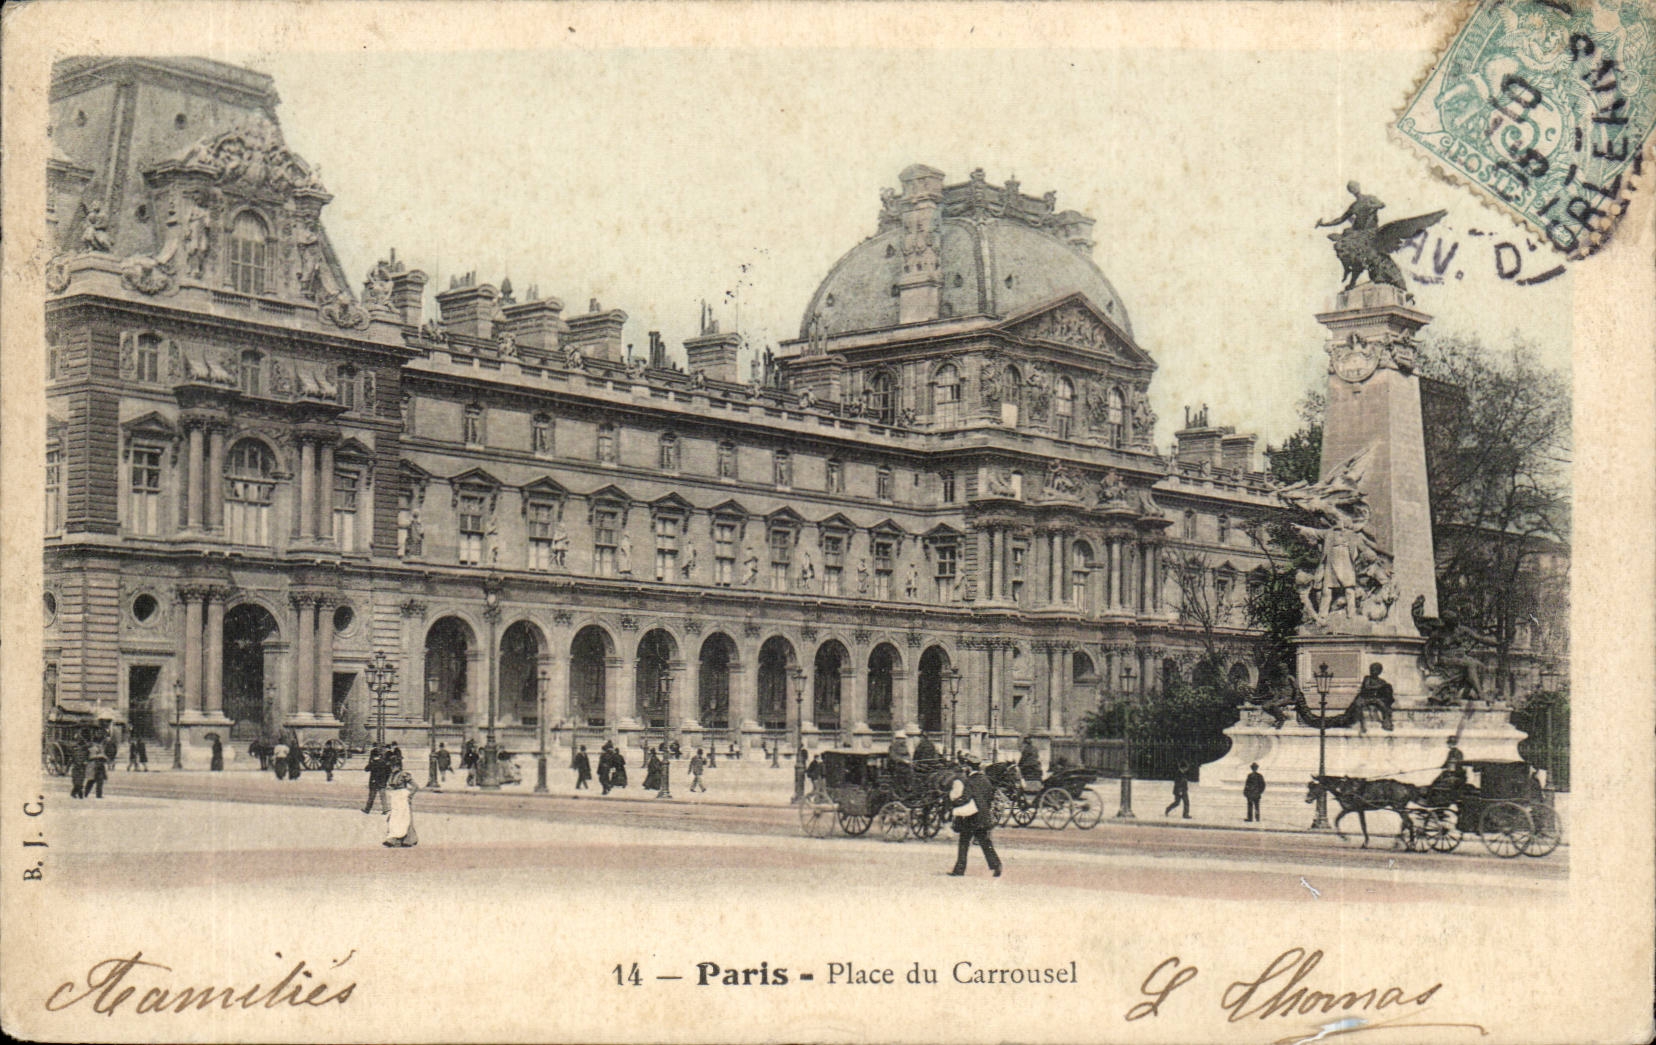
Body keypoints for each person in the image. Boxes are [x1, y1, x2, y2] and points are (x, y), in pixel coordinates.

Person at [947, 756, 1002, 878]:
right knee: (985, 842)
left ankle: (959, 869)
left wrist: (954, 803)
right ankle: (996, 864)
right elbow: (990, 797)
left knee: (964, 842)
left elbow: (966, 798)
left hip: (970, 818)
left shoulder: (969, 781)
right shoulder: (986, 780)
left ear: (969, 767)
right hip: (982, 817)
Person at [382, 771, 419, 848]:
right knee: (395, 818)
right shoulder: (391, 774)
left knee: (404, 818)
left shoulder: (403, 774)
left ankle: (405, 839)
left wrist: (409, 796)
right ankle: (398, 838)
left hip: (402, 797)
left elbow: (415, 786)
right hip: (395, 797)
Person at [1356, 663, 1395, 732]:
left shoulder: (1381, 681)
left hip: (1376, 699)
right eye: (1372, 669)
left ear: (1379, 671)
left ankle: (1387, 722)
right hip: (1366, 698)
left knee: (1384, 706)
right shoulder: (1367, 678)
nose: (1373, 671)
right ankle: (1362, 725)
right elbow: (1367, 686)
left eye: (1376, 670)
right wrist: (1379, 686)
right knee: (1359, 705)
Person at [363, 745, 391, 814]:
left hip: (374, 782)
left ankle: (367, 809)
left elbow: (366, 769)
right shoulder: (384, 763)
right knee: (383, 796)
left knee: (371, 797)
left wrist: (370, 763)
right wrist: (386, 780)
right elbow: (388, 772)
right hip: (382, 782)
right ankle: (385, 809)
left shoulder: (373, 763)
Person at [69, 734, 90, 799]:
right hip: (76, 767)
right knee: (76, 781)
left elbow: (87, 758)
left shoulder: (85, 751)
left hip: (81, 767)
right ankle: (78, 793)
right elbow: (71, 760)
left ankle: (76, 793)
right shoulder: (76, 751)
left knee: (80, 781)